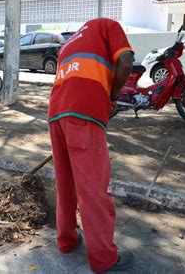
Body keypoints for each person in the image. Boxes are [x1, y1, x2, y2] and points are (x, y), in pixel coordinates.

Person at [47, 18, 134, 273]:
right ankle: (104, 258)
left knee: (66, 184)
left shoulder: (69, 43)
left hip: (56, 112)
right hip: (84, 113)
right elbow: (125, 63)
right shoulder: (109, 25)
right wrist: (112, 96)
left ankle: (66, 241)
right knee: (93, 188)